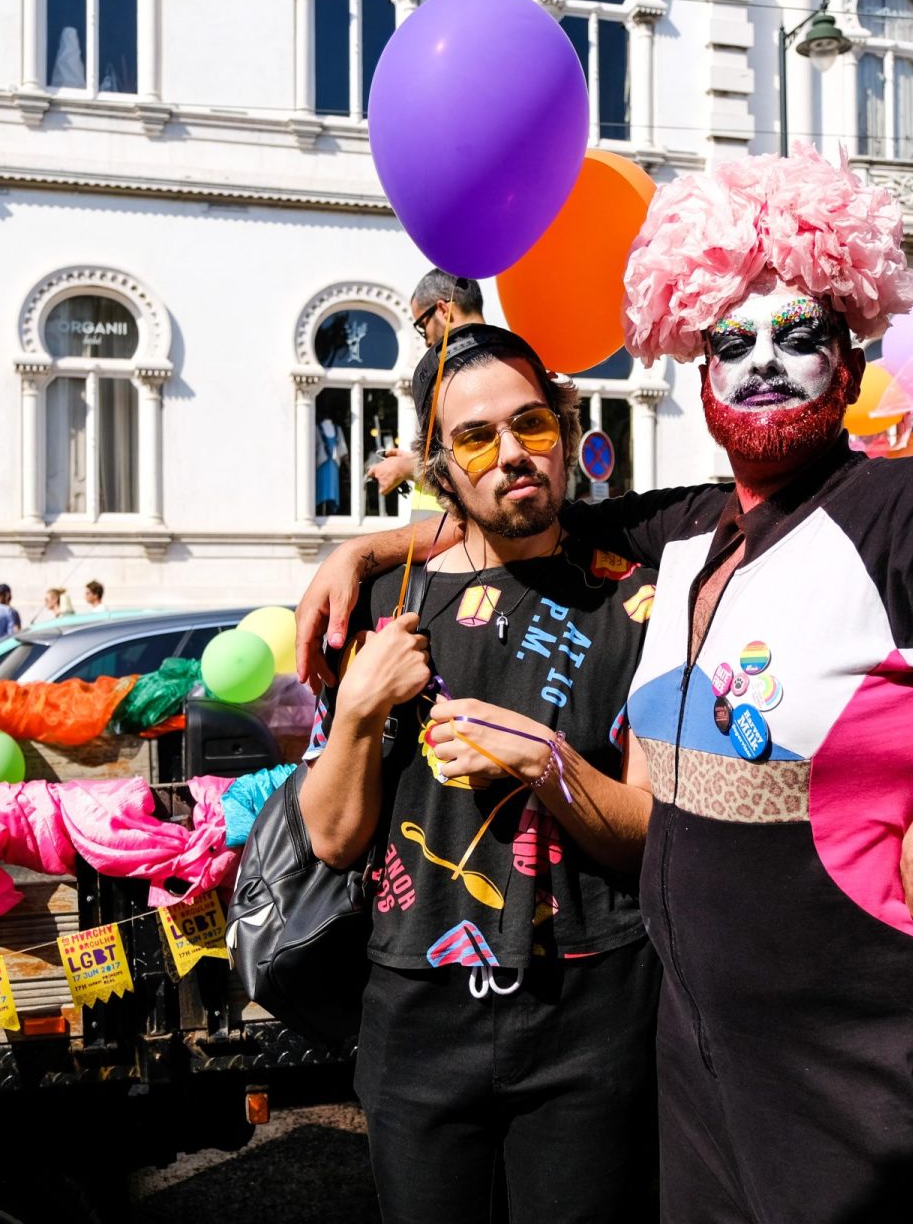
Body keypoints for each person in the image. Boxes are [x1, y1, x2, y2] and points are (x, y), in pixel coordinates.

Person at [298, 146, 913, 1222]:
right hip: (697, 1070)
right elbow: (523, 510)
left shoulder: (907, 510)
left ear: (847, 365)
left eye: (797, 335)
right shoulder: (694, 532)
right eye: (730, 342)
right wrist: (373, 548)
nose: (761, 363)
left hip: (860, 1071)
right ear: (699, 374)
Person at [301, 323, 660, 1224]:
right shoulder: (384, 604)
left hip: (591, 1009)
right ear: (439, 463)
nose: (512, 455)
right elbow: (334, 839)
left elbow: (649, 834)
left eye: (532, 425)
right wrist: (357, 710)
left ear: (566, 430)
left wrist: (548, 765)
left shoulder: (637, 599)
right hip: (417, 1015)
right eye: (475, 437)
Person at [366, 271, 489, 501]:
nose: (426, 340)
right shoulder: (500, 362)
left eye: (423, 325)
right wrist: (416, 462)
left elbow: (479, 460)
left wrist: (409, 468)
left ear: (443, 310)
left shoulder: (467, 370)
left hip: (456, 532)